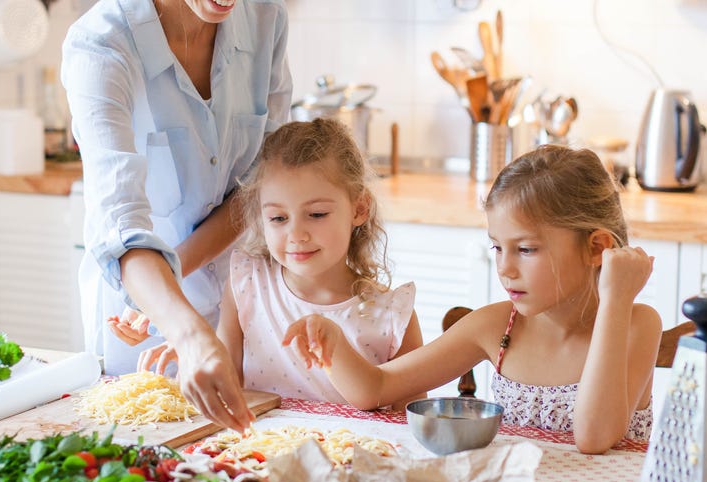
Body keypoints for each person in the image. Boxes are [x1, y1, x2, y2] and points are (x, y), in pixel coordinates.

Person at [284, 145, 663, 453]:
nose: (505, 268)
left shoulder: (636, 324)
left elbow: (594, 438)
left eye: (526, 250)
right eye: (497, 248)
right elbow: (376, 389)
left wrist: (615, 298)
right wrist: (332, 341)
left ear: (597, 247)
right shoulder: (498, 326)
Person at [61, 0, 292, 431]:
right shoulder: (101, 44)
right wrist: (185, 333)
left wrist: (180, 271)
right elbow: (121, 226)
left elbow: (261, 186)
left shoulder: (265, 19)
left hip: (239, 310)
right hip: (141, 320)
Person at [138, 118, 423, 408]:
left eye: (317, 214)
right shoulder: (246, 284)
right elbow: (227, 389)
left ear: (359, 209)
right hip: (259, 453)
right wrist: (194, 355)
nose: (296, 235)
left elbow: (409, 429)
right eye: (278, 218)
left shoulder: (393, 315)